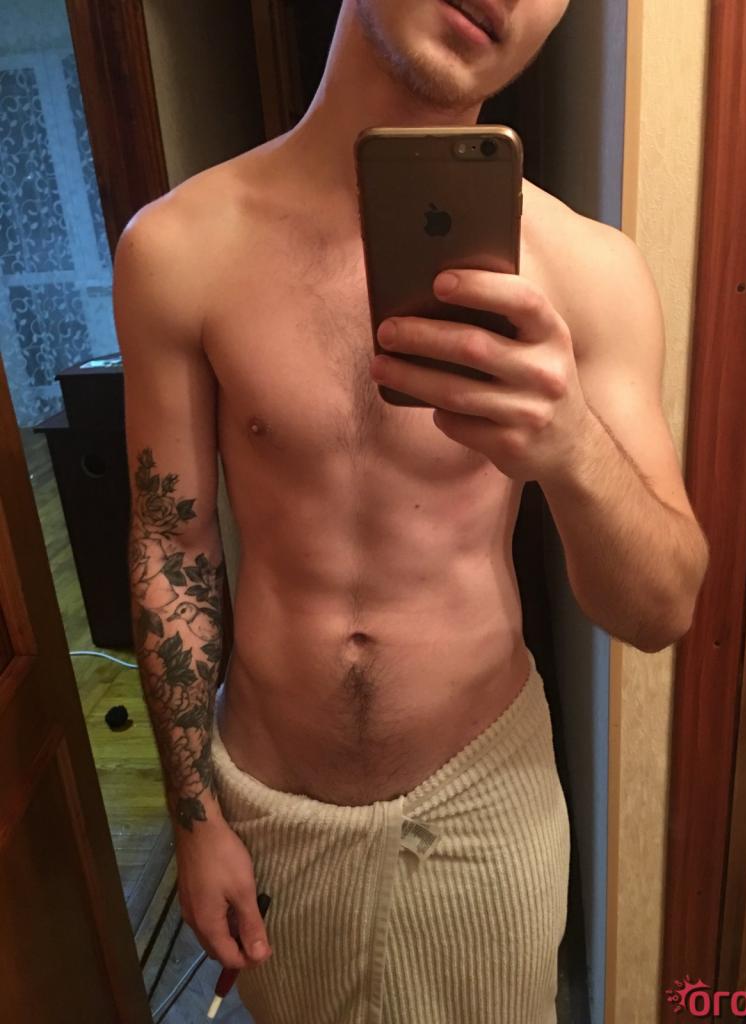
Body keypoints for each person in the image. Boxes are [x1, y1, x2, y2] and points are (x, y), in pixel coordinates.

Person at [114, 1, 709, 1020]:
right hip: (268, 811)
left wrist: (570, 443)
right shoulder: (181, 248)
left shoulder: (590, 272)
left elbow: (661, 610)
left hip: (488, 807)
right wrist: (196, 818)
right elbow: (173, 544)